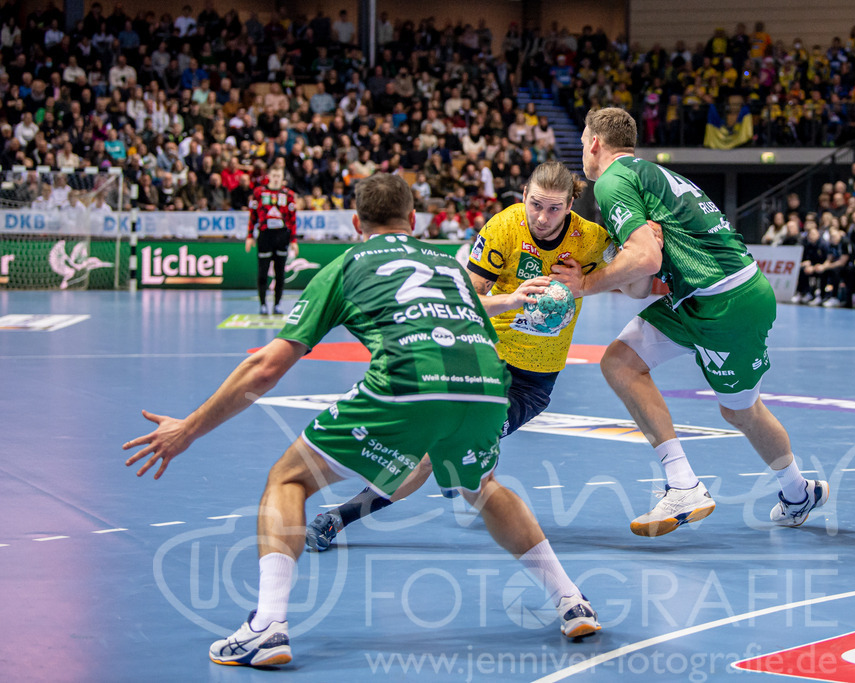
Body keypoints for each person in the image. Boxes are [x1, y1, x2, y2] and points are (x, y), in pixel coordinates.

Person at [123, 174, 600, 669]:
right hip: (486, 385)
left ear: (356, 223)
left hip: (413, 380)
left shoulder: (348, 263)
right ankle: (571, 601)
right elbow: (473, 317)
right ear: (414, 221)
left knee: (288, 478)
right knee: (482, 487)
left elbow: (265, 367)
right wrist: (513, 301)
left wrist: (189, 428)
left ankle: (267, 626)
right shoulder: (448, 263)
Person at [306, 160, 614, 550]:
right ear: (523, 196)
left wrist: (586, 282)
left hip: (533, 382)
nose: (542, 216)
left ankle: (456, 467)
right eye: (536, 204)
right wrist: (515, 299)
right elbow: (466, 300)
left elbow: (636, 277)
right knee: (429, 452)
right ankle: (338, 517)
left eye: (555, 208)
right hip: (481, 362)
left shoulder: (591, 239)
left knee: (449, 452)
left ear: (571, 205)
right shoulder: (504, 227)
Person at [555, 107, 828, 537]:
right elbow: (642, 281)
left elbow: (645, 257)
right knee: (620, 361)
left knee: (741, 412)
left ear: (593, 143)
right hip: (700, 297)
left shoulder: (611, 182)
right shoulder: (646, 174)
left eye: (583, 143)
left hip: (726, 301)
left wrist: (583, 283)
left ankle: (795, 490)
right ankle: (687, 484)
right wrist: (624, 262)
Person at [246, 167, 298, 314]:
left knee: (280, 272)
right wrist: (250, 236)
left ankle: (277, 304)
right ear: (269, 176)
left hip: (282, 236)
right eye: (273, 175)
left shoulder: (288, 194)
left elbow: (293, 219)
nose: (276, 178)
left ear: (282, 178)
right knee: (263, 271)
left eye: (278, 175)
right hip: (265, 236)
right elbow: (252, 215)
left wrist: (293, 240)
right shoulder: (259, 193)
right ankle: (263, 304)